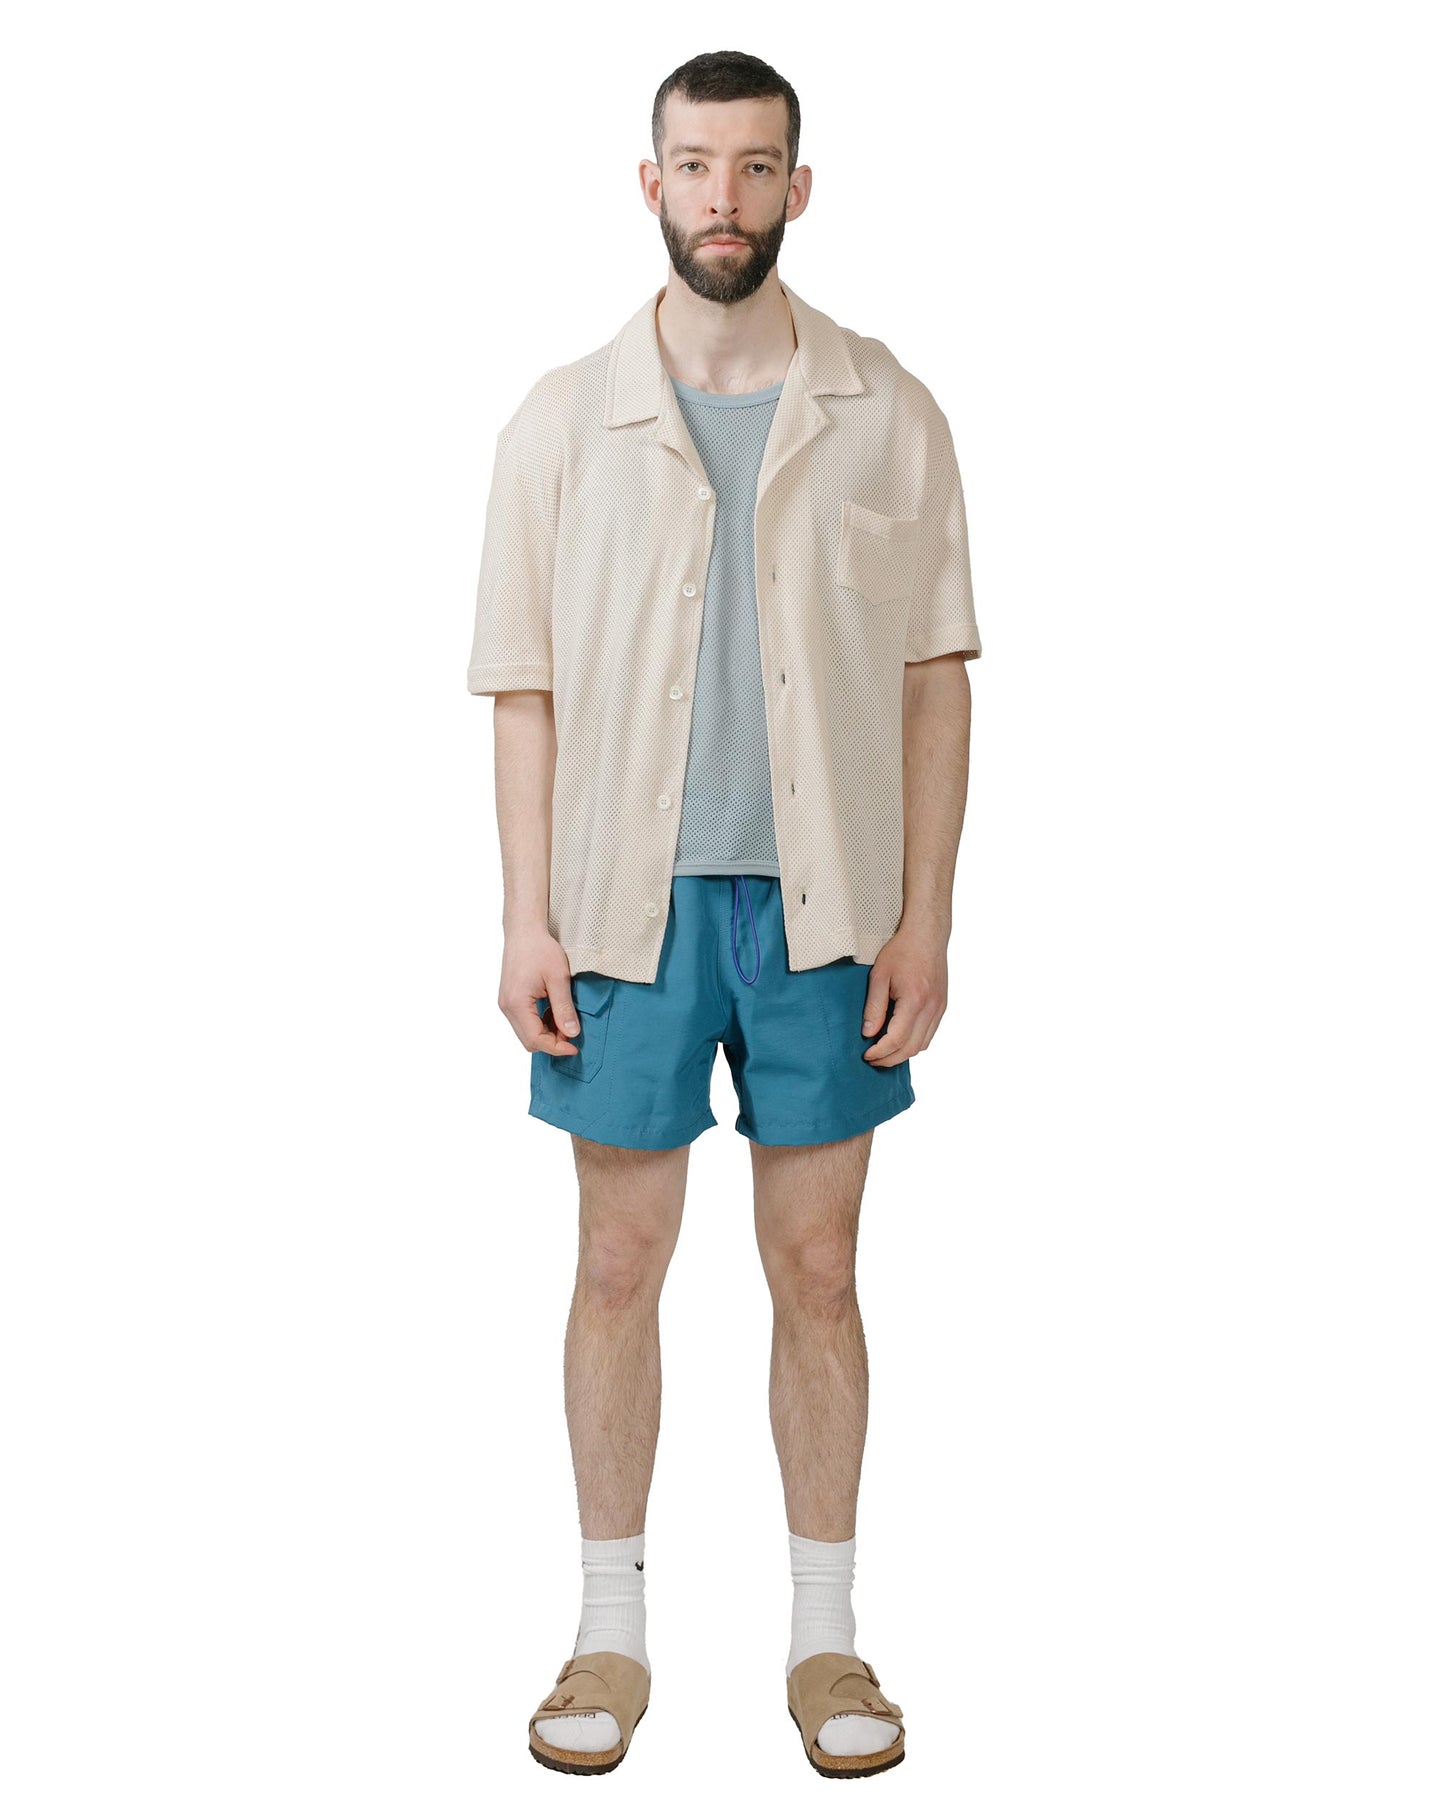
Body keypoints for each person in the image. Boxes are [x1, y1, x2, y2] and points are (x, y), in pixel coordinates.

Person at [467, 49, 981, 1779]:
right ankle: (607, 1632)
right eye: (695, 165)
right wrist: (523, 917)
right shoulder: (560, 421)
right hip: (620, 914)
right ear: (650, 183)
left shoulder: (887, 409)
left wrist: (925, 916)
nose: (724, 198)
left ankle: (827, 1640)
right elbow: (523, 688)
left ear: (797, 189)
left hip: (831, 912)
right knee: (616, 1262)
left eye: (756, 167)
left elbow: (933, 676)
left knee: (818, 1269)